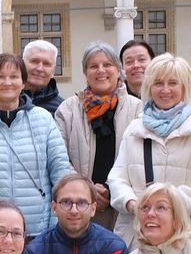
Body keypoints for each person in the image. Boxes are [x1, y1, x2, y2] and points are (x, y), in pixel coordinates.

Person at [107, 53, 191, 249]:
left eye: (173, 83)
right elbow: (117, 178)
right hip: (140, 234)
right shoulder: (135, 129)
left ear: (184, 87)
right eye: (158, 83)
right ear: (149, 87)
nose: (165, 90)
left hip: (185, 234)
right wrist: (133, 203)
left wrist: (169, 206)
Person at [0, 53, 72, 246]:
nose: (7, 82)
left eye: (14, 76)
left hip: (38, 232)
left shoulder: (43, 119)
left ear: (23, 82)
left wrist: (57, 227)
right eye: (0, 76)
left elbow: (61, 176)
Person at [54, 42, 143, 230]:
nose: (101, 71)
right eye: (93, 66)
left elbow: (142, 159)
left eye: (107, 65)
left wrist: (114, 191)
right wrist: (87, 190)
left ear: (118, 71)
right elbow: (59, 158)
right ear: (85, 73)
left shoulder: (138, 109)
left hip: (125, 206)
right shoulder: (67, 110)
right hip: (80, 206)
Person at [22, 39, 64, 114]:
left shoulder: (62, 109)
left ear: (53, 71)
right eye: (34, 61)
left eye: (46, 64)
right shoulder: (3, 102)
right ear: (22, 64)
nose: (39, 68)